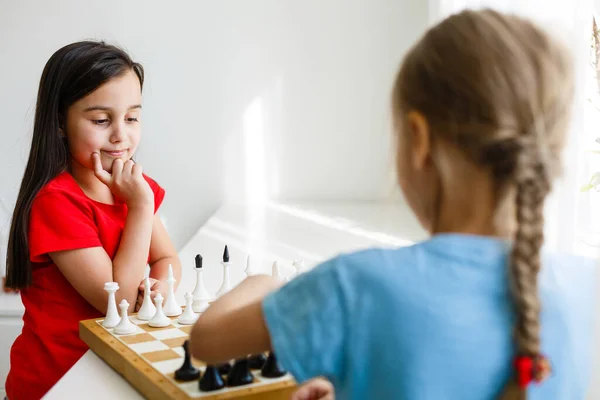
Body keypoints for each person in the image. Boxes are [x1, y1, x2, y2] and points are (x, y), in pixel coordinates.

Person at [189, 9, 597, 400]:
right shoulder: (585, 286)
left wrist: (263, 284)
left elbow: (206, 341)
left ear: (419, 140)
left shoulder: (353, 287)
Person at [4, 41, 182, 400]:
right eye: (101, 120)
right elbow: (119, 302)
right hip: (58, 384)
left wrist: (162, 287)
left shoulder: (133, 188)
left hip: (109, 371)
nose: (120, 134)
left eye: (132, 117)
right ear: (59, 123)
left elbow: (166, 259)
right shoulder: (56, 203)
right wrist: (140, 207)